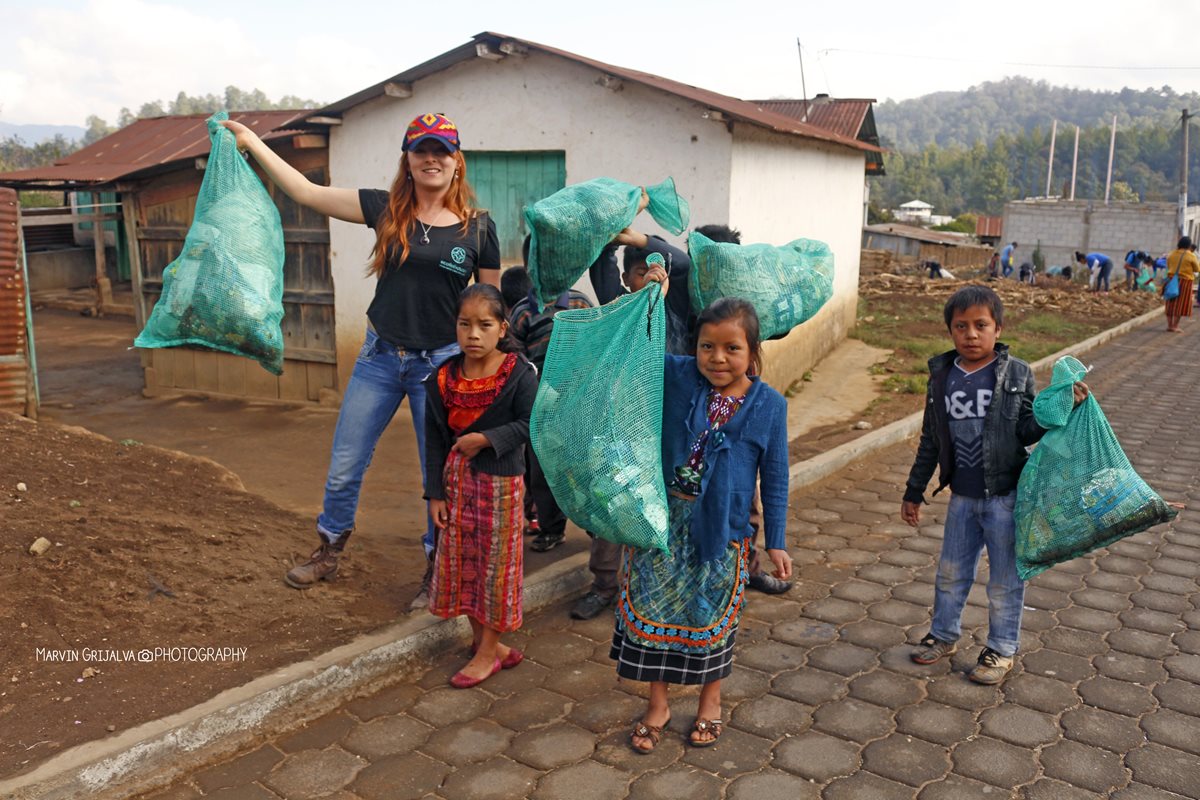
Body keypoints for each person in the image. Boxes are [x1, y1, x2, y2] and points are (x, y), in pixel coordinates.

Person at [221, 113, 501, 604]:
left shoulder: (480, 228)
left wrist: (485, 370)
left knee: (438, 471)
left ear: (457, 161)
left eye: (441, 150)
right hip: (379, 357)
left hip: (440, 366)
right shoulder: (384, 208)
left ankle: (437, 564)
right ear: (408, 160)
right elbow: (305, 191)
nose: (431, 158)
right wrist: (251, 142)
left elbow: (491, 308)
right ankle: (328, 549)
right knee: (345, 463)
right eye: (421, 150)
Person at [612, 276, 793, 753]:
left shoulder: (769, 406)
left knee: (711, 619)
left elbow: (775, 476)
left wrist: (776, 540)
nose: (716, 357)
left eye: (731, 348)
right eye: (706, 346)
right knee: (652, 612)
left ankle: (710, 704)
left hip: (723, 531)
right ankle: (658, 706)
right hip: (662, 523)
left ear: (752, 353)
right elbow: (639, 345)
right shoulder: (677, 376)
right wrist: (650, 296)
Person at [901, 285, 1088, 685]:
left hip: (1005, 498)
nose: (971, 334)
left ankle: (1001, 649)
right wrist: (914, 490)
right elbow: (931, 439)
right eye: (960, 326)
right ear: (950, 331)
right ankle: (944, 634)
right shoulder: (941, 377)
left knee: (1005, 580)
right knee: (950, 573)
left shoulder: (1016, 372)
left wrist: (1062, 406)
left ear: (997, 328)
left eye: (980, 325)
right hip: (962, 500)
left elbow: (1026, 429)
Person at [424, 284, 538, 688]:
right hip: (456, 484)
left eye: (484, 325)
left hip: (501, 485)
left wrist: (488, 439)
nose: (473, 334)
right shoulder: (441, 378)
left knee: (496, 570)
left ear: (502, 328)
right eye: (464, 324)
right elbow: (434, 439)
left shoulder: (519, 374)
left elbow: (533, 423)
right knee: (465, 565)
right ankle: (484, 642)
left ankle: (488, 653)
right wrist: (434, 494)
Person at [509, 236, 600, 554]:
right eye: (539, 264)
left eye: (555, 263)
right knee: (543, 472)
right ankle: (551, 528)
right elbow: (515, 360)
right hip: (539, 408)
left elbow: (595, 350)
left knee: (585, 466)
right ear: (527, 268)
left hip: (578, 406)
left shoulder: (580, 304)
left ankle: (595, 525)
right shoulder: (522, 313)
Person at [1162, 236, 1199, 333]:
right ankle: (1175, 326)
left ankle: (1169, 325)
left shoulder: (1171, 254)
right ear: (1188, 245)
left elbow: (1168, 265)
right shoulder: (1190, 255)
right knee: (1181, 304)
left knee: (1170, 303)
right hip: (1185, 282)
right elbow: (1197, 269)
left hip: (1171, 280)